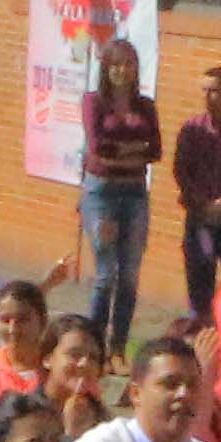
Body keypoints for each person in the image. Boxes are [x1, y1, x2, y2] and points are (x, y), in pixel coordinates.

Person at [61, 38, 160, 347]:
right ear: (106, 69)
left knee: (129, 276)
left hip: (134, 193)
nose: (123, 71)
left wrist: (121, 152)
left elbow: (155, 150)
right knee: (106, 275)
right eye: (116, 64)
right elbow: (98, 148)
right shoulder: (94, 102)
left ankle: (118, 345)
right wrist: (133, 150)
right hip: (101, 194)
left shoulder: (145, 106)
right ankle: (94, 345)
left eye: (129, 64)